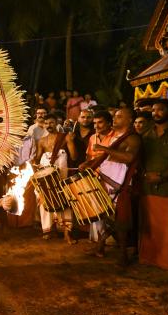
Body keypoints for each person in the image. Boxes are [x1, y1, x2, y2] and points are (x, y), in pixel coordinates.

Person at [87, 108, 141, 265]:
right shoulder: (114, 137)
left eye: (119, 117)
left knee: (120, 219)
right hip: (107, 179)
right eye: (114, 116)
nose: (114, 119)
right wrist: (89, 163)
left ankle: (123, 253)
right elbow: (108, 158)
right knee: (108, 216)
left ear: (129, 120)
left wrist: (104, 149)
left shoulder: (133, 139)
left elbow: (129, 158)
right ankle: (101, 245)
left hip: (120, 183)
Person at [139, 99, 168, 270]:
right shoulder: (145, 133)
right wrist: (144, 174)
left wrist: (162, 176)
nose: (155, 113)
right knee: (149, 226)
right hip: (147, 186)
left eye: (160, 110)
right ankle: (149, 259)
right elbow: (138, 157)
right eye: (154, 110)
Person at [35, 114, 77, 244]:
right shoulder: (41, 141)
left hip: (62, 174)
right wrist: (34, 163)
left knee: (64, 198)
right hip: (46, 175)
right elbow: (37, 158)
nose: (49, 125)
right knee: (45, 198)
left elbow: (74, 157)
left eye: (51, 123)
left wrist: (71, 141)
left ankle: (66, 232)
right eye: (46, 123)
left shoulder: (65, 137)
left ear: (57, 123)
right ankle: (47, 229)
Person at [79, 110, 116, 243]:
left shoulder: (115, 137)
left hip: (112, 179)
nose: (96, 126)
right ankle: (98, 240)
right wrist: (85, 164)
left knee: (111, 210)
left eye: (100, 122)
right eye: (94, 123)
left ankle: (111, 241)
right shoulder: (92, 138)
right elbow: (90, 157)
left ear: (109, 123)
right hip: (95, 177)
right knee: (97, 208)